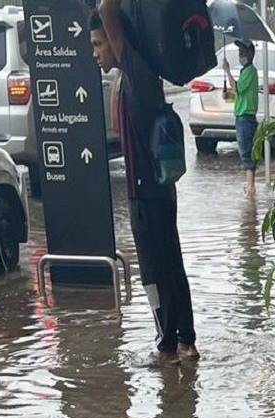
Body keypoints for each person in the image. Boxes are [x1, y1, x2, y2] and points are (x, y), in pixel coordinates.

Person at [93, 2, 198, 365]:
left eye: (99, 45)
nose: (96, 54)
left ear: (116, 41)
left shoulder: (136, 69)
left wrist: (110, 11)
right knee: (171, 260)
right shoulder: (136, 75)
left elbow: (108, 11)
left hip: (146, 192)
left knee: (154, 269)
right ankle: (186, 340)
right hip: (158, 189)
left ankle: (166, 345)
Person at [223, 39, 259, 197]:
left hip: (245, 117)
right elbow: (239, 93)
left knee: (246, 152)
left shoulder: (250, 71)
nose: (240, 55)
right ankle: (250, 186)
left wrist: (227, 71)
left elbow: (237, 87)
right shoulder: (246, 72)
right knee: (246, 151)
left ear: (250, 54)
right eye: (239, 53)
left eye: (243, 52)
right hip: (242, 116)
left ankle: (250, 189)